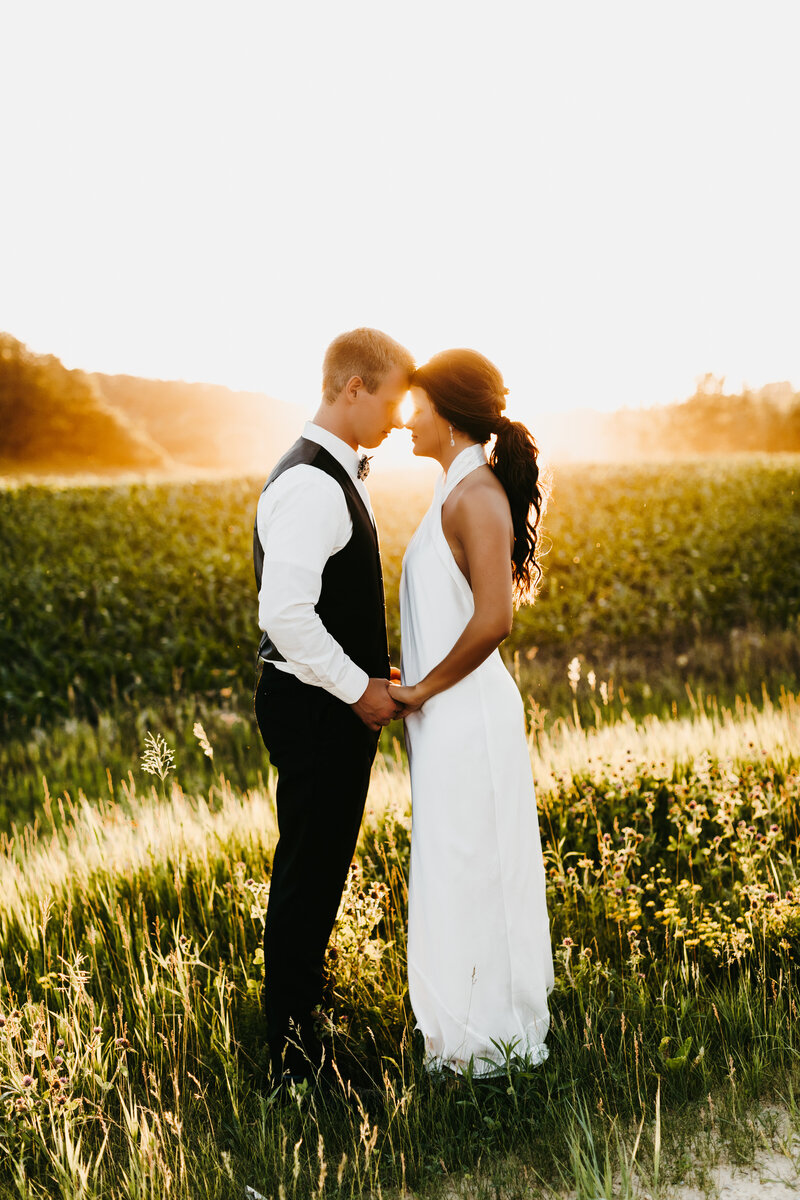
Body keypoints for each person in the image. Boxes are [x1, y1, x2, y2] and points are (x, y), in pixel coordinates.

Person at [253, 327, 414, 1087]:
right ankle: (291, 1057)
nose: (399, 414)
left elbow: (325, 604)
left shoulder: (329, 473)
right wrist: (360, 691)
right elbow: (284, 612)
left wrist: (364, 665)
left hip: (324, 702)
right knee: (308, 874)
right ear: (353, 388)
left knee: (316, 868)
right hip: (318, 711)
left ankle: (302, 1020)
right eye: (391, 396)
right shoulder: (314, 481)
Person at [389, 348, 554, 1076]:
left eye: (415, 406)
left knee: (478, 869)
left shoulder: (477, 494)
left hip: (469, 719)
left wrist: (423, 689)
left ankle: (493, 1045)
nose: (404, 421)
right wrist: (414, 675)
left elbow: (494, 621)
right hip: (444, 719)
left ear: (447, 413)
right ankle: (462, 1039)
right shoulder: (451, 489)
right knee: (455, 871)